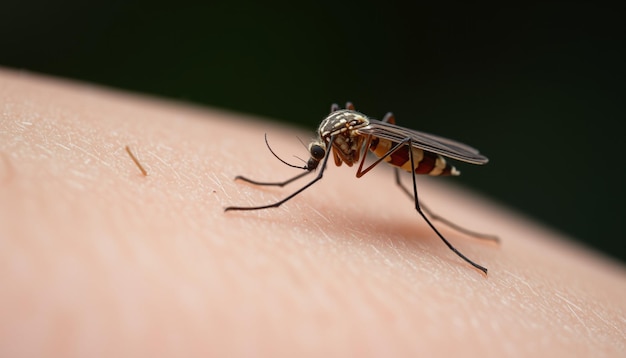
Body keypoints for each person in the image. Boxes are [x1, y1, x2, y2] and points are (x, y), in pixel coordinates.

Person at [1, 68, 624, 357]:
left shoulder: (352, 136)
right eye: (326, 150)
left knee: (398, 164)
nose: (323, 159)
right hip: (373, 136)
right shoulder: (333, 135)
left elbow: (350, 140)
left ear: (338, 139)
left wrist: (383, 154)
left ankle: (444, 229)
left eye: (323, 152)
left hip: (413, 155)